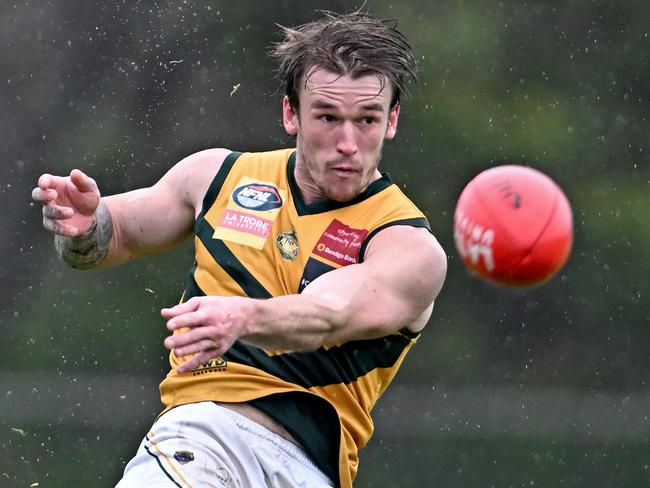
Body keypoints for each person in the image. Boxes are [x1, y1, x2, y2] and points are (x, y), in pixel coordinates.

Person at [32, 10, 447, 488]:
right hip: (204, 439)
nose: (348, 143)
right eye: (328, 117)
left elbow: (329, 312)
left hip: (309, 471)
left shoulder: (409, 245)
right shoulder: (217, 175)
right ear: (291, 113)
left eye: (367, 120)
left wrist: (243, 319)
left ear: (391, 120)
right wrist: (82, 226)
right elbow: (113, 237)